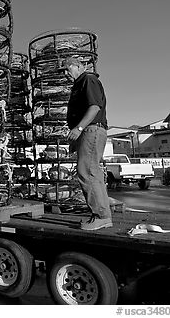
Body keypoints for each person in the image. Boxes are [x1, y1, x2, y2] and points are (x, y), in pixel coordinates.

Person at [62, 57, 113, 231]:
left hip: (91, 129)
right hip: (88, 132)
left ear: (78, 67)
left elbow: (94, 107)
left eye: (66, 69)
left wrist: (79, 128)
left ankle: (101, 216)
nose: (64, 74)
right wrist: (76, 139)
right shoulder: (79, 84)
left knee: (87, 171)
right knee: (93, 172)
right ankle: (102, 215)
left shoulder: (88, 80)